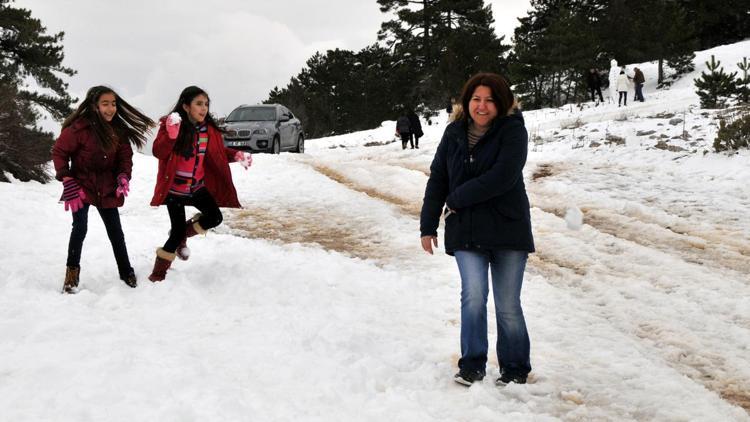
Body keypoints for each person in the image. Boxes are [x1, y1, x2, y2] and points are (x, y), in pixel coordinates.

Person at [419, 73, 534, 387]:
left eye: (489, 100)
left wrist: (456, 199)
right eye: (476, 99)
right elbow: (438, 178)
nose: (482, 106)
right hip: (467, 231)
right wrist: (427, 224)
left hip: (508, 229)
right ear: (466, 101)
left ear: (501, 103)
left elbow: (503, 177)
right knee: (473, 297)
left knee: (508, 303)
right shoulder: (453, 133)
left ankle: (515, 368)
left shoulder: (513, 131)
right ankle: (472, 364)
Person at [51, 86, 155, 293]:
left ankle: (126, 271)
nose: (110, 108)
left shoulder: (118, 131)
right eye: (105, 104)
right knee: (79, 228)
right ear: (94, 106)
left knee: (115, 231)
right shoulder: (79, 129)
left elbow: (125, 158)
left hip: (107, 187)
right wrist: (67, 178)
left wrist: (123, 175)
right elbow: (59, 152)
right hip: (80, 186)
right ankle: (72, 274)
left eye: (113, 104)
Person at [148, 86, 252, 282]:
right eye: (198, 104)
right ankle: (158, 273)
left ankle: (183, 235)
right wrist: (171, 135)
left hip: (197, 187)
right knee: (176, 232)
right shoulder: (172, 125)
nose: (203, 108)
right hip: (175, 190)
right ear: (186, 107)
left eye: (206, 104)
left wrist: (237, 155)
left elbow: (218, 153)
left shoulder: (208, 130)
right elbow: (159, 152)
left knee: (214, 217)